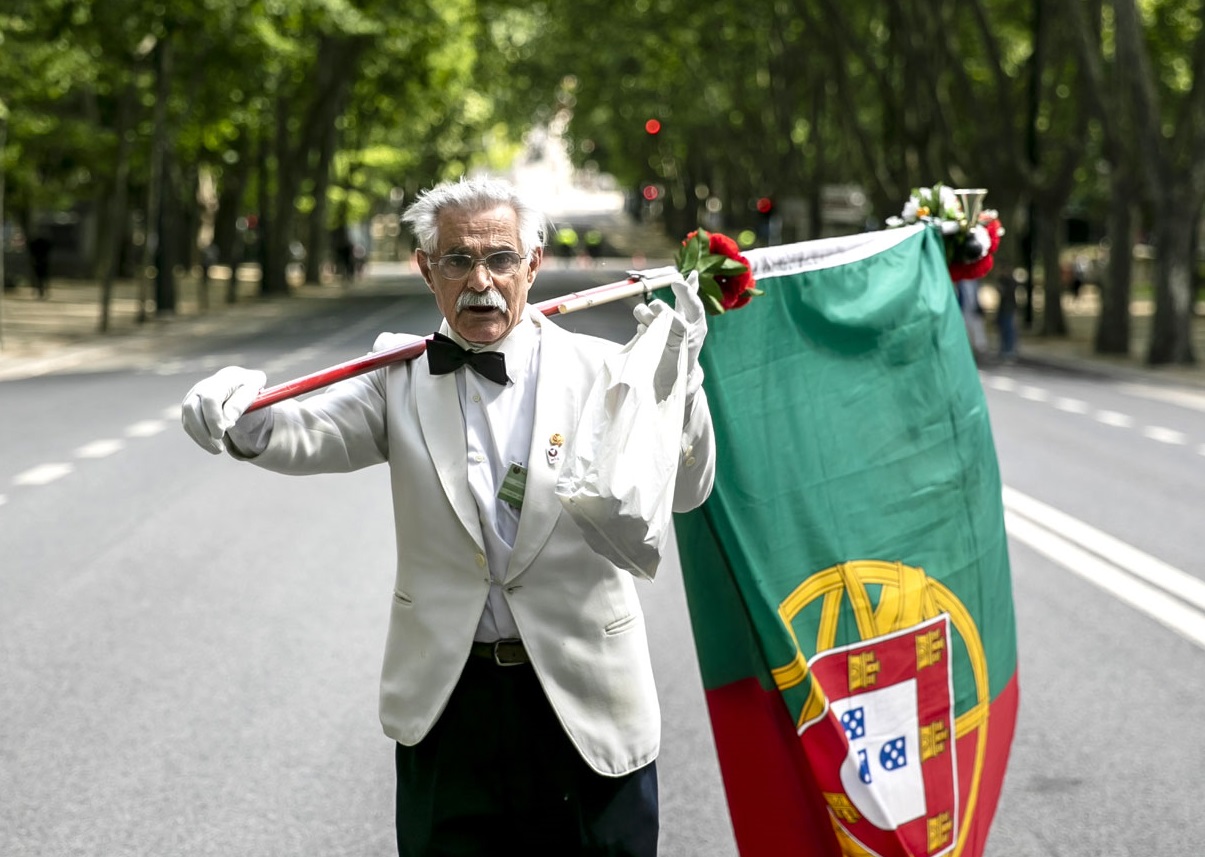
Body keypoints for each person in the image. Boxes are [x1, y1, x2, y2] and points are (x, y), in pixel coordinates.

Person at [180, 177, 715, 856]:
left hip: (585, 699)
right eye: (458, 260)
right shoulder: (396, 375)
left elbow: (687, 492)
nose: (480, 280)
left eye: (499, 259)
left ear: (533, 264)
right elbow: (305, 429)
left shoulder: (607, 370)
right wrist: (238, 414)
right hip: (449, 701)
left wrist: (683, 386)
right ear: (425, 268)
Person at [28, 232, 52, 299]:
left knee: (39, 279)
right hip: (42, 263)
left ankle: (41, 292)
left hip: (39, 263)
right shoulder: (44, 245)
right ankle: (43, 292)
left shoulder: (35, 245)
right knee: (43, 279)